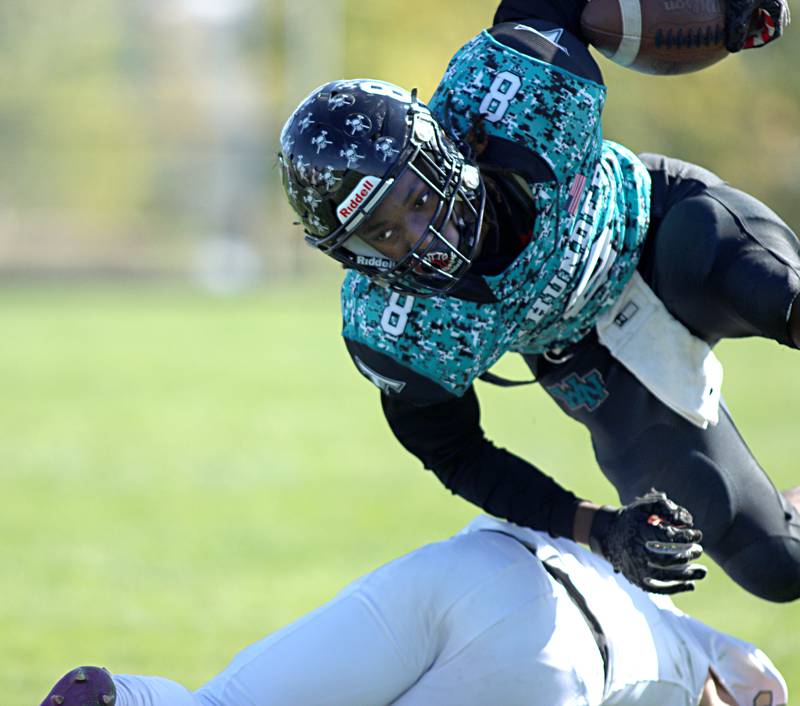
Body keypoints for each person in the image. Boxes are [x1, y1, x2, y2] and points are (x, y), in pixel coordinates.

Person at [276, 0, 800, 601]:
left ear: (441, 147)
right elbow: (459, 455)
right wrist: (603, 530)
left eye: (416, 201)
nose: (426, 241)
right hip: (590, 359)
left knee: (771, 287)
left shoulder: (517, 83)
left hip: (658, 232)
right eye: (384, 234)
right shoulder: (398, 332)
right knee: (776, 565)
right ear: (353, 256)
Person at [39, 517, 788, 706]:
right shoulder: (730, 673)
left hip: (474, 567)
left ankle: (115, 696)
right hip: (554, 664)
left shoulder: (694, 630)